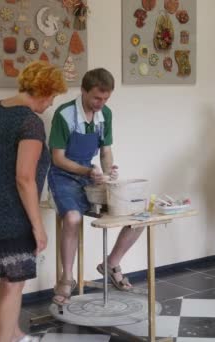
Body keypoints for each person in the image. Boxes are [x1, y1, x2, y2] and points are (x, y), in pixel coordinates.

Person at [0, 61, 67, 342]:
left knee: (9, 280)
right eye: (53, 96)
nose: (51, 104)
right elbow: (25, 178)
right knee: (14, 284)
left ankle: (15, 335)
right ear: (44, 91)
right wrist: (38, 226)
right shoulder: (29, 123)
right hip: (15, 215)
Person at [48, 68, 139, 306]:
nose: (101, 103)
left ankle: (110, 263)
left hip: (91, 175)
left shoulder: (105, 114)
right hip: (64, 176)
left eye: (106, 98)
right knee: (72, 219)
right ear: (84, 91)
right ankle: (66, 279)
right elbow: (57, 158)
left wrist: (109, 174)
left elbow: (106, 152)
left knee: (136, 214)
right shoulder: (64, 114)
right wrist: (88, 171)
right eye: (97, 98)